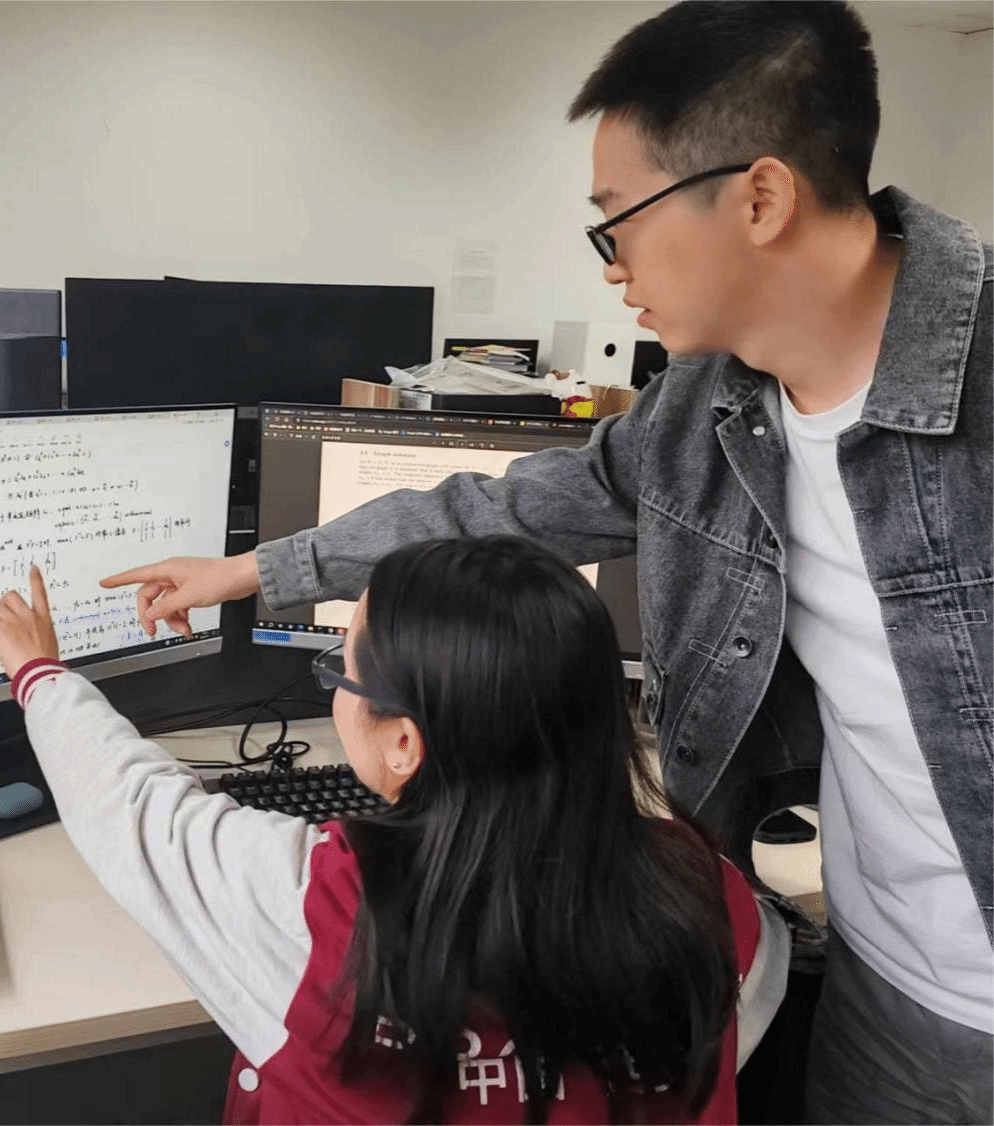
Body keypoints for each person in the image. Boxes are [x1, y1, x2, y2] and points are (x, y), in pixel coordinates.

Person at [100, 3, 994, 1123]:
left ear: (760, 199)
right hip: (882, 975)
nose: (613, 267)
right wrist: (256, 572)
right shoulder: (703, 413)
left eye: (618, 222)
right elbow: (501, 511)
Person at [0, 540, 787, 1124]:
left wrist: (38, 671)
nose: (336, 688)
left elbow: (130, 807)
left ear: (402, 742)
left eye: (343, 668)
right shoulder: (718, 901)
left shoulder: (319, 915)